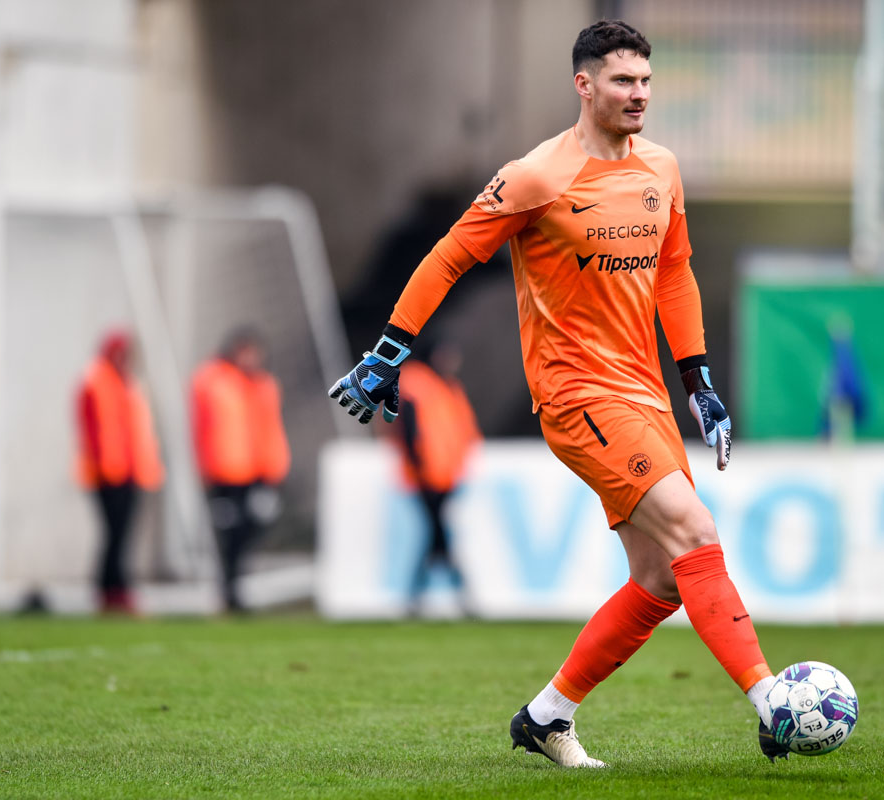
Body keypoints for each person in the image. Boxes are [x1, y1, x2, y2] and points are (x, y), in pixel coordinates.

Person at [330, 20, 785, 767]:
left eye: (645, 80)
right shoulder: (536, 176)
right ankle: (772, 700)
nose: (639, 94)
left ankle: (546, 717)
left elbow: (674, 273)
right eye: (622, 80)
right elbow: (448, 257)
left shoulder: (662, 169)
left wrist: (698, 381)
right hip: (577, 397)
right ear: (584, 84)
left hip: (645, 396)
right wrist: (389, 350)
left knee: (661, 579)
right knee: (695, 531)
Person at [191, 327, 291, 613]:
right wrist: (205, 470)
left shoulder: (264, 384)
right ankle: (230, 590)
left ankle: (234, 585)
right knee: (229, 532)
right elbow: (202, 428)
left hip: (258, 473)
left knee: (256, 523)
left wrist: (274, 468)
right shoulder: (212, 380)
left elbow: (270, 429)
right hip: (224, 474)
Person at [75, 330, 164, 614]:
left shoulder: (129, 383)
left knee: (123, 534)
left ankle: (116, 588)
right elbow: (91, 429)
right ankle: (111, 589)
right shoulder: (96, 379)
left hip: (132, 471)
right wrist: (102, 464)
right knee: (114, 534)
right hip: (108, 472)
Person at [391, 339, 481, 614]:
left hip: (446, 476)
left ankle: (417, 598)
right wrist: (418, 467)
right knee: (439, 535)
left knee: (435, 535)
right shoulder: (416, 382)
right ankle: (461, 594)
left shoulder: (448, 387)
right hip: (425, 476)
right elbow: (407, 428)